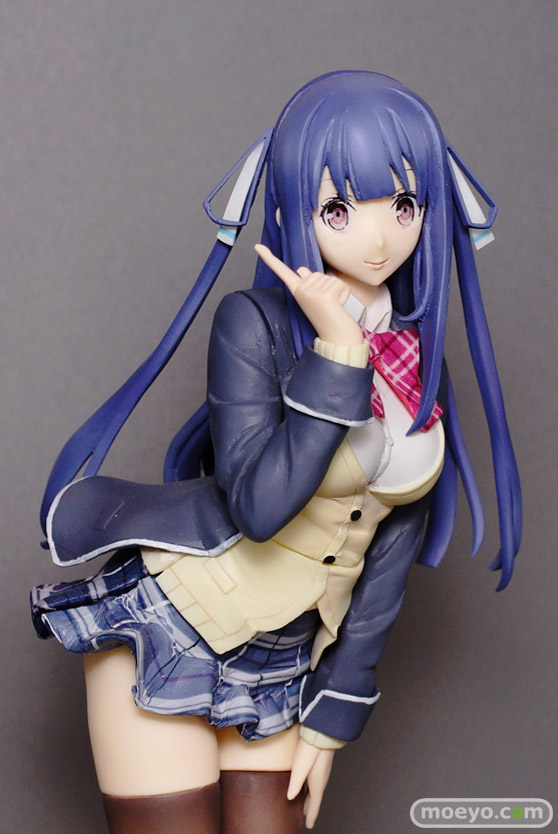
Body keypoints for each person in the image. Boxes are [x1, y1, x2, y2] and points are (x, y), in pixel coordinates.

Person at [31, 71, 521, 834]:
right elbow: (258, 507)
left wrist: (335, 712)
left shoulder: (422, 364)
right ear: (293, 209)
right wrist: (339, 354)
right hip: (182, 618)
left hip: (289, 657)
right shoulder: (252, 324)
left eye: (403, 205)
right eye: (339, 210)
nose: (379, 238)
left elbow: (390, 551)